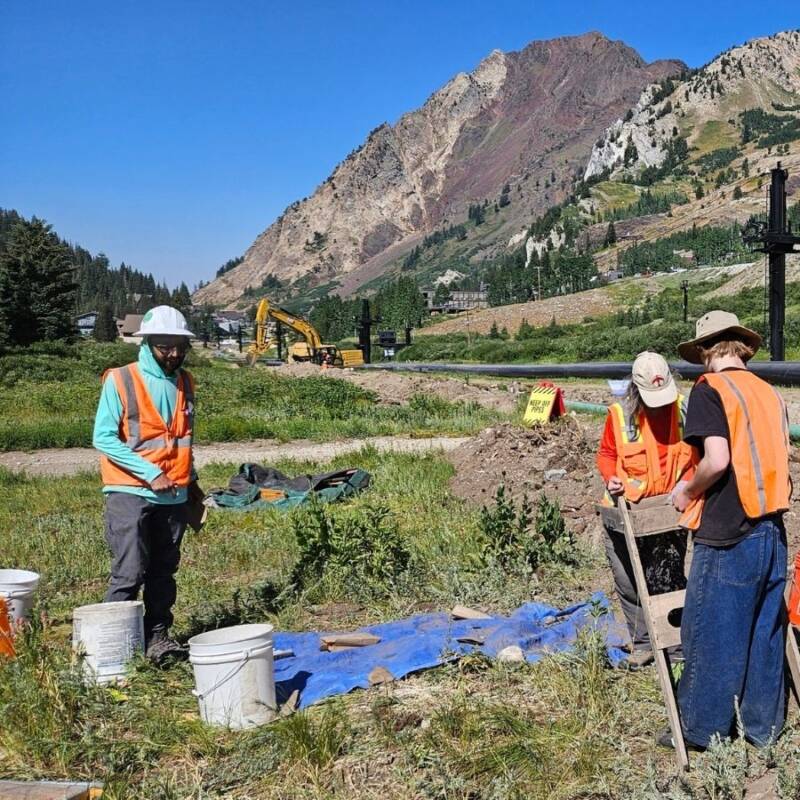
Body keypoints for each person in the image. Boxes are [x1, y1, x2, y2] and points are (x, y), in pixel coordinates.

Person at [666, 310, 791, 750]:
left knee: (711, 631)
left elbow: (717, 459)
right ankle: (763, 730)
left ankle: (703, 731)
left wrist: (686, 489)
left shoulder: (709, 390)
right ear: (742, 348)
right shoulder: (768, 392)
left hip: (727, 530)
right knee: (764, 632)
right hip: (772, 530)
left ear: (705, 352)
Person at [93, 306, 202, 664]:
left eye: (179, 347)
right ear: (148, 344)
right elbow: (104, 438)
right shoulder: (121, 380)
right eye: (164, 347)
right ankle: (110, 649)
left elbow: (183, 439)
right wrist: (150, 472)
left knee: (163, 571)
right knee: (130, 569)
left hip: (173, 494)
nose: (173, 354)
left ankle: (157, 638)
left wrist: (194, 489)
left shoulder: (185, 382)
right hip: (130, 490)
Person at [597, 351, 694, 666]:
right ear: (635, 391)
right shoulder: (619, 415)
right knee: (628, 581)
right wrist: (611, 477)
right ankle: (643, 644)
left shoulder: (684, 409)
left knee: (669, 578)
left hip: (669, 509)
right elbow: (607, 454)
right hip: (625, 509)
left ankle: (677, 647)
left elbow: (699, 457)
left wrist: (688, 486)